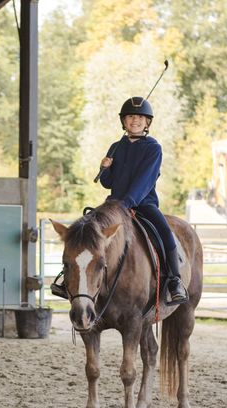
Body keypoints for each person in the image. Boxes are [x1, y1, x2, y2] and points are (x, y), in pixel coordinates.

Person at [51, 96, 188, 304]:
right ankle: (68, 278)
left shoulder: (153, 148)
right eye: (131, 117)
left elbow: (144, 181)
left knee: (165, 233)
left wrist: (127, 203)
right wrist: (104, 169)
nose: (135, 121)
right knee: (85, 234)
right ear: (123, 121)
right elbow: (108, 182)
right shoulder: (116, 147)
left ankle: (174, 281)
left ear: (147, 122)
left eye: (140, 118)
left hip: (143, 204)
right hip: (115, 204)